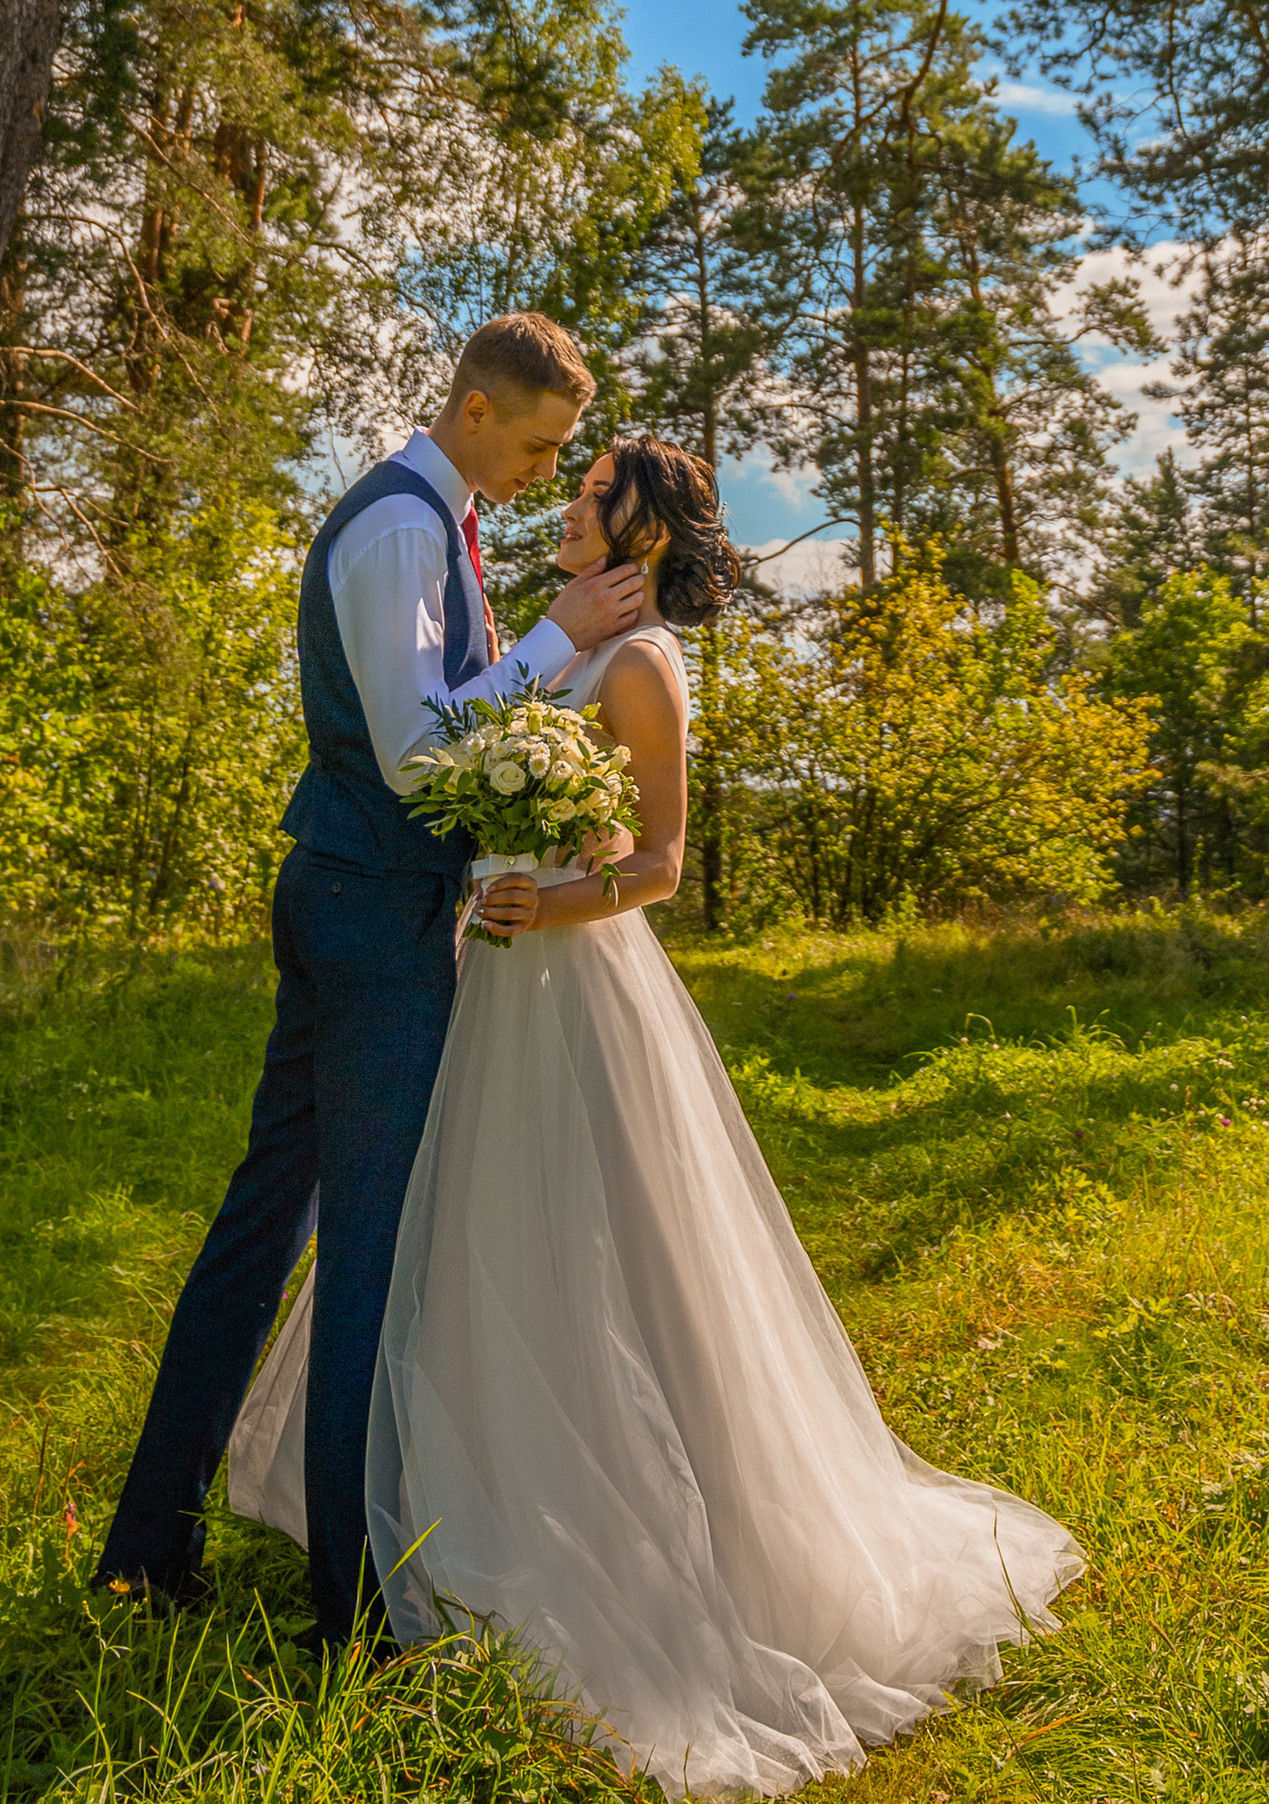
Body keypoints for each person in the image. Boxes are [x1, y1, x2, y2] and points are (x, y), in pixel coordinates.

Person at [226, 436, 1080, 1792]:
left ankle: (607, 1534)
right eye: (565, 491)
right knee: (464, 1236)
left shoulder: (639, 667)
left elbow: (664, 862)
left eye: (587, 498)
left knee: (593, 1250)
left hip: (574, 982)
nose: (565, 509)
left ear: (642, 533)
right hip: (485, 981)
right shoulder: (557, 643)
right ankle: (441, 1499)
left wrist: (555, 898)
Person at [96, 313, 647, 1649]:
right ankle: (348, 1606)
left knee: (266, 1220)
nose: (538, 471)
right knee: (368, 1257)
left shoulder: (432, 524)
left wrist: (557, 660)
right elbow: (418, 754)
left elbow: (444, 716)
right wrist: (559, 633)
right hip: (372, 914)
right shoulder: (404, 526)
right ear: (471, 411)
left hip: (342, 897)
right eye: (534, 445)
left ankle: (147, 1545)